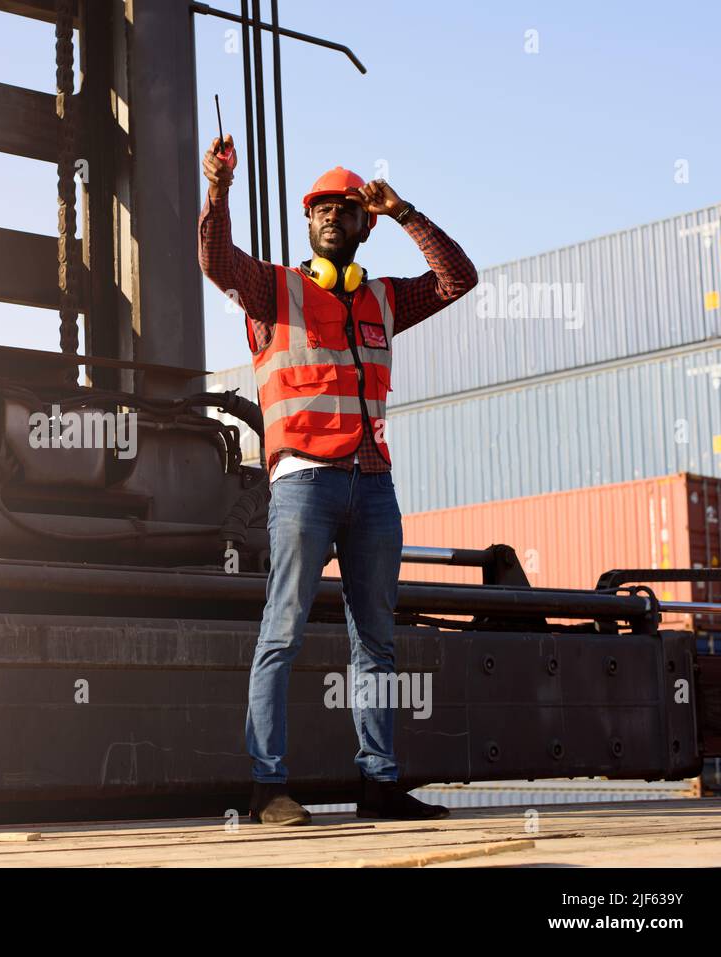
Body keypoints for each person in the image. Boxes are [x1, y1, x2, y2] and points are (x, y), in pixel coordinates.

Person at [199, 134, 478, 824]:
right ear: (310, 223)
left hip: (373, 488)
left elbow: (458, 279)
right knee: (282, 633)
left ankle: (377, 782)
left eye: (344, 209)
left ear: (364, 224)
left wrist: (407, 210)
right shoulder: (275, 291)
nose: (329, 215)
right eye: (319, 208)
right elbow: (215, 260)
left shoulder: (382, 299)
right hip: (302, 488)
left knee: (377, 642)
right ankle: (269, 786)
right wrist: (219, 190)